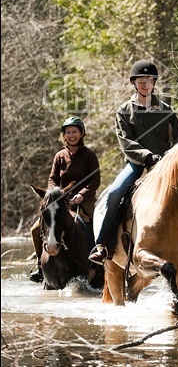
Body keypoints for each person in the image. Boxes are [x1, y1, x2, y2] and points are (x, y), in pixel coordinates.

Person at [88, 59, 178, 268]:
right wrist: (148, 156)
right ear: (134, 83)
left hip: (166, 168)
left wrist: (169, 159)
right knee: (114, 194)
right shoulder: (124, 111)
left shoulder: (166, 110)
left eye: (149, 80)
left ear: (154, 83)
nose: (145, 84)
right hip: (136, 165)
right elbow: (126, 142)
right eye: (141, 80)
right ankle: (103, 246)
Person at [29, 116, 101, 283]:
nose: (71, 135)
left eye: (74, 132)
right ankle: (41, 266)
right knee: (34, 230)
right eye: (68, 132)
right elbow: (52, 178)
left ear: (82, 133)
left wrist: (82, 194)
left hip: (84, 200)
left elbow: (95, 179)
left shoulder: (89, 155)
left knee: (95, 226)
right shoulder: (59, 156)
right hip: (60, 200)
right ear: (64, 135)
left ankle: (97, 263)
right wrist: (56, 193)